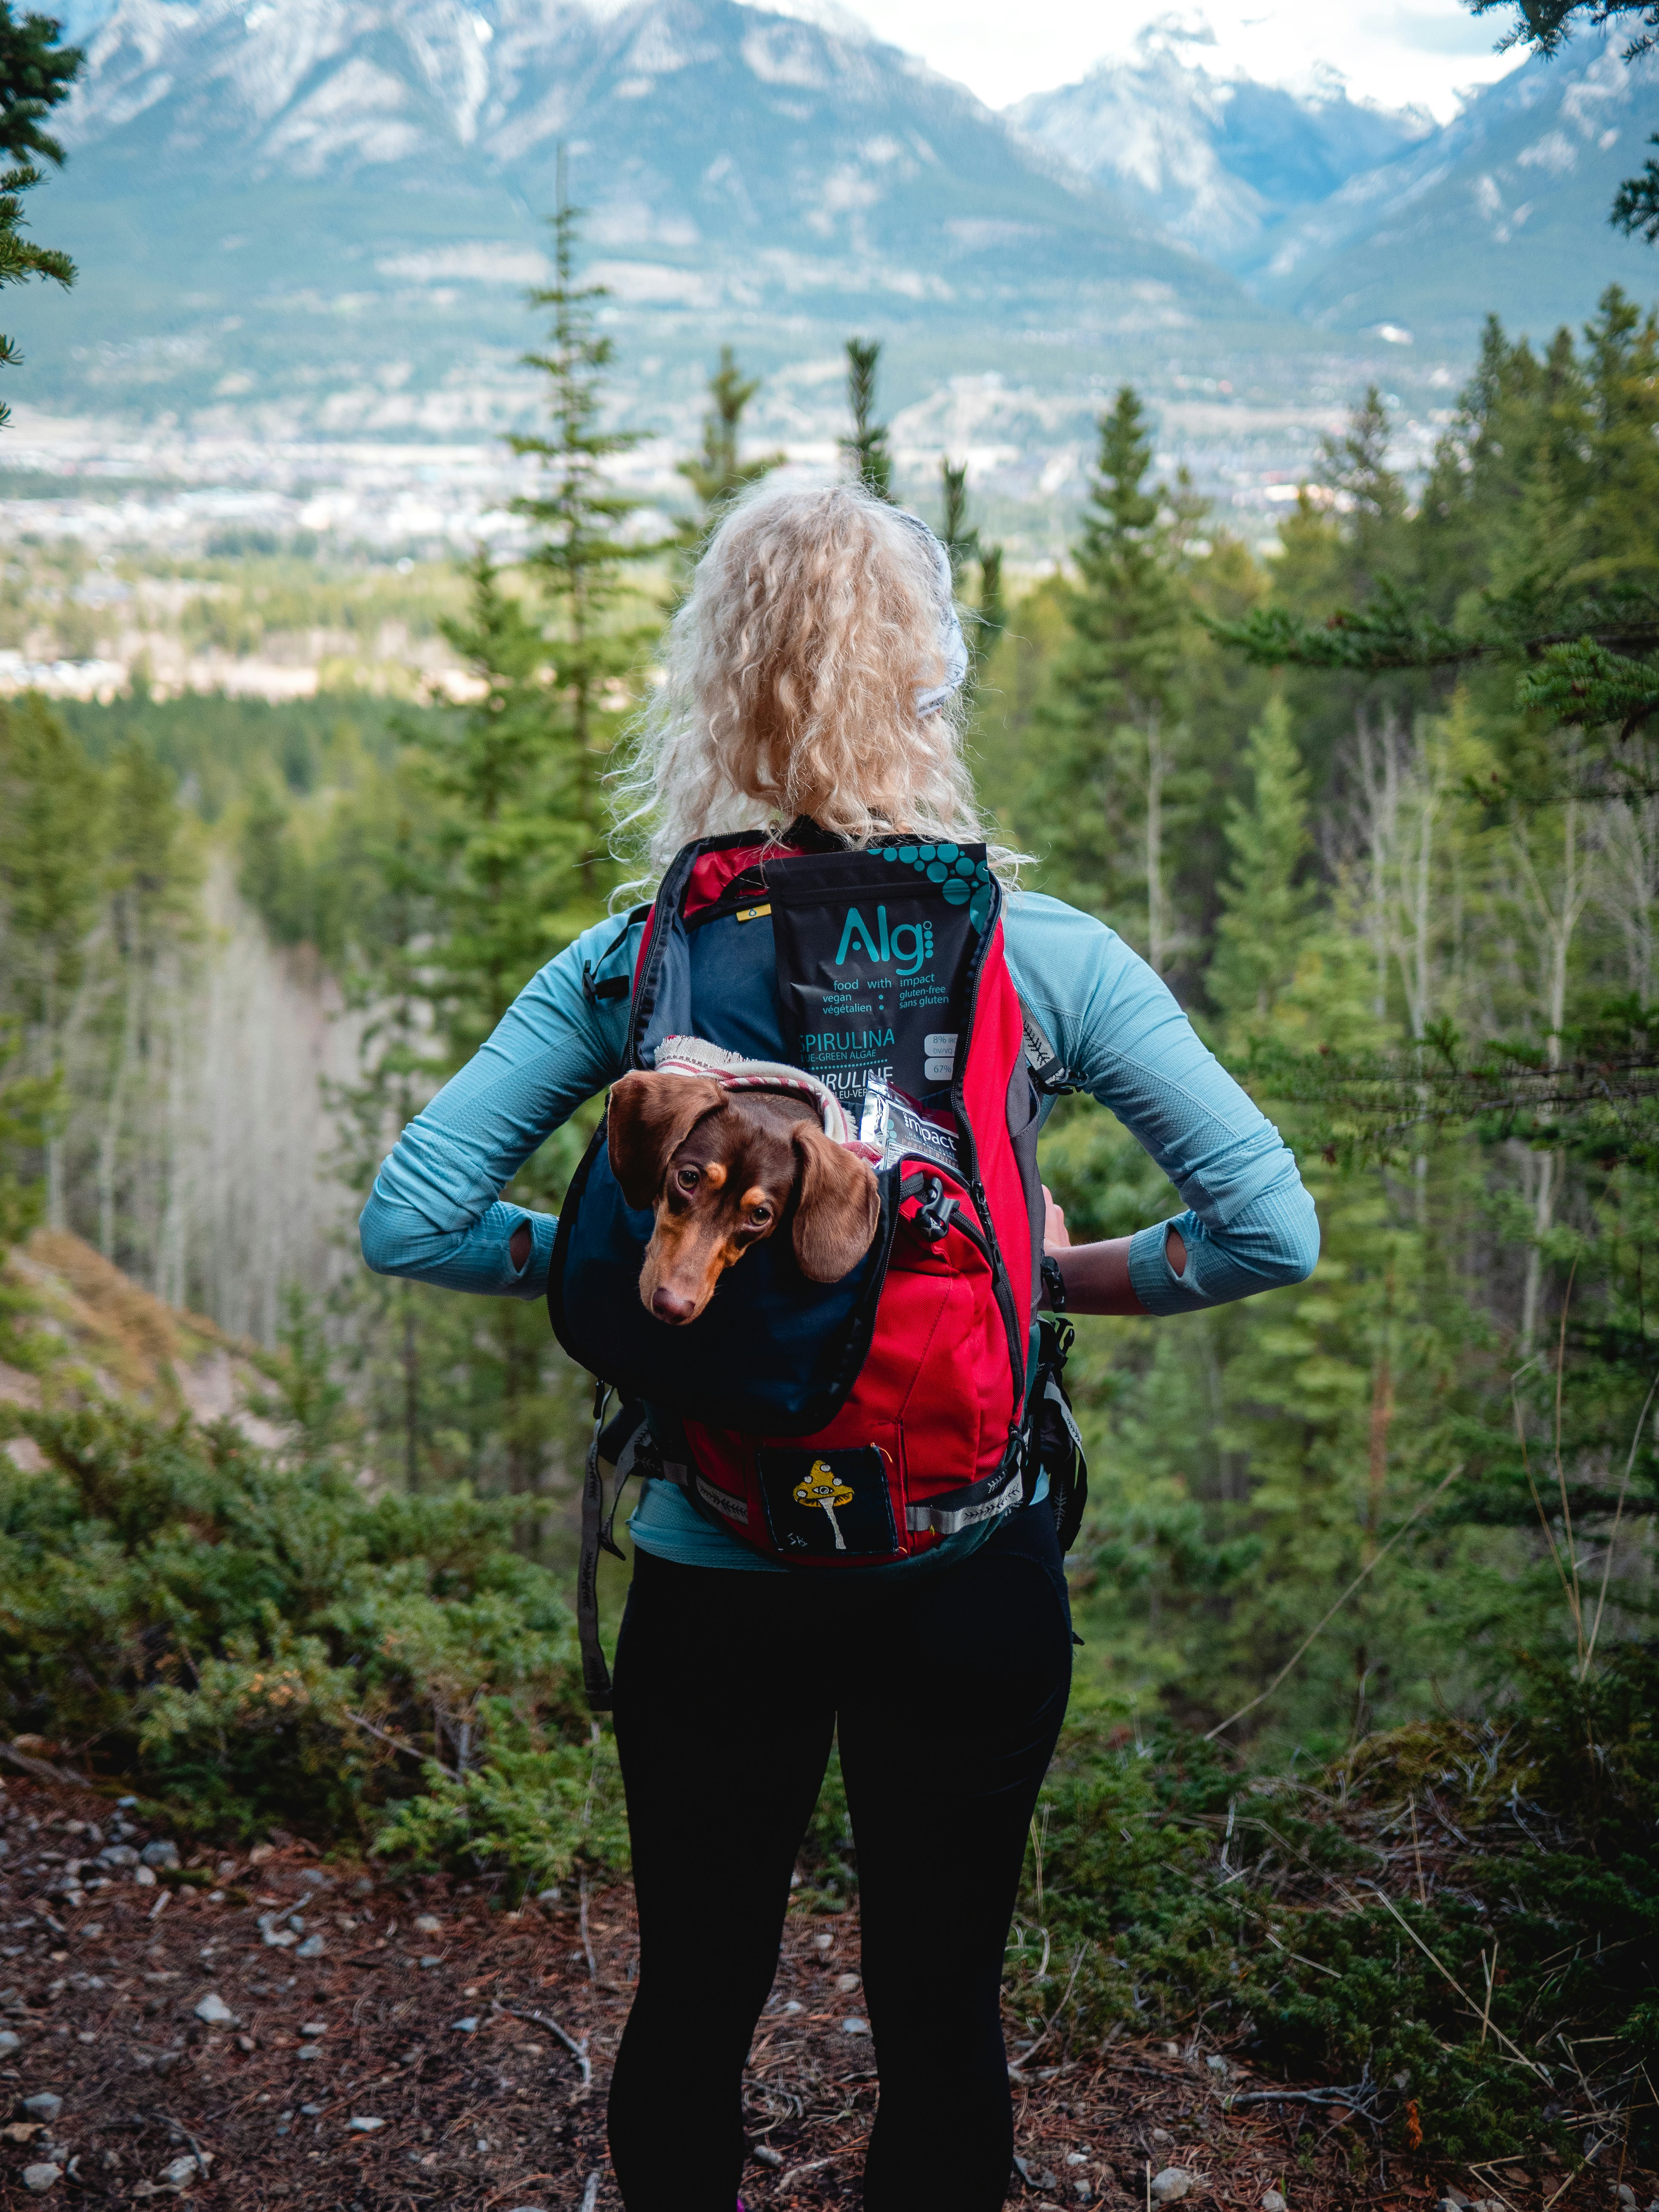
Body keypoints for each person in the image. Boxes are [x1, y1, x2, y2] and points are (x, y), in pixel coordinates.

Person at [360, 483, 1319, 2212]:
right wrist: (1049, 1281)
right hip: (966, 1565)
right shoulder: (1046, 959)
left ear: (713, 683)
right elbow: (1268, 1230)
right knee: (943, 2010)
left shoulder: (640, 966)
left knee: (697, 1999)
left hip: (715, 1560)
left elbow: (413, 1217)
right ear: (931, 686)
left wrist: (645, 1264)